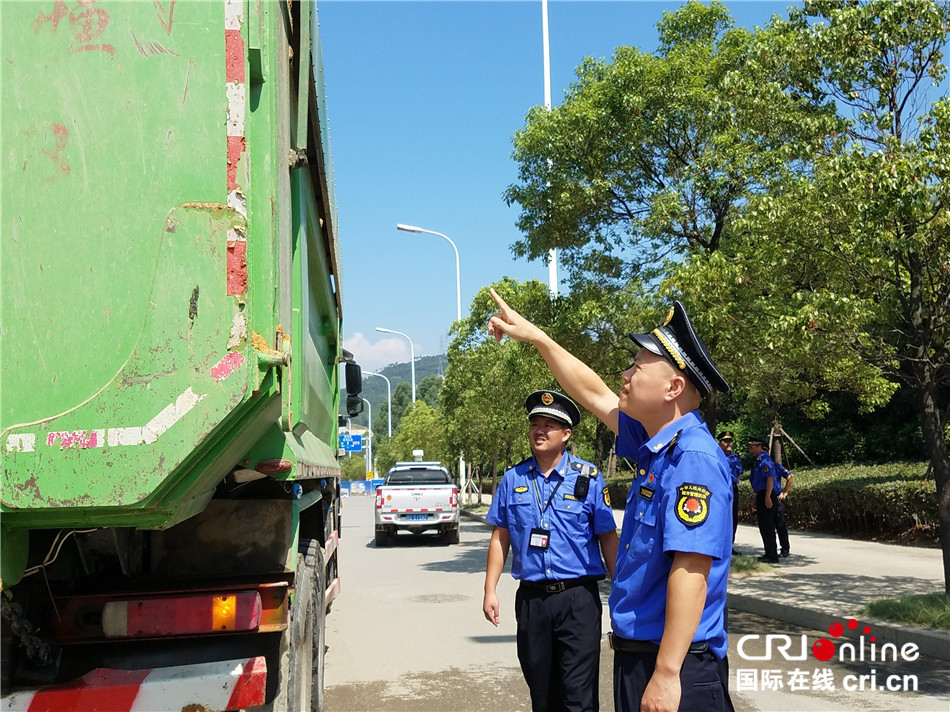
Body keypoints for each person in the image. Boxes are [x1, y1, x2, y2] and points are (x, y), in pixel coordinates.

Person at [487, 289, 735, 712]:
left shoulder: (692, 458)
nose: (625, 373)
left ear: (673, 387)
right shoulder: (654, 446)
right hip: (641, 654)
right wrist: (537, 338)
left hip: (675, 664)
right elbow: (593, 393)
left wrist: (667, 672)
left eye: (637, 367)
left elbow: (691, 570)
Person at [483, 390, 619, 712]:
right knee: (542, 696)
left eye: (549, 425)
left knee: (578, 696)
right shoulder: (513, 478)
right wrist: (490, 589)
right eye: (535, 424)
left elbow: (608, 539)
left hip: (578, 600)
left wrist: (621, 593)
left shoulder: (589, 479)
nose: (539, 431)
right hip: (533, 601)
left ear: (566, 434)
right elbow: (500, 537)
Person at [747, 436, 781, 563]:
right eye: (750, 447)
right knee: (763, 525)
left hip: (767, 494)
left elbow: (770, 479)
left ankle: (772, 555)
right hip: (761, 494)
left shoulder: (765, 460)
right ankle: (768, 552)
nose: (751, 449)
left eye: (753, 447)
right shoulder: (758, 460)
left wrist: (767, 496)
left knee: (767, 525)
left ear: (760, 447)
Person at [717, 431, 743, 552]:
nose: (728, 443)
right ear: (720, 442)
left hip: (732, 488)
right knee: (720, 516)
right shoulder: (716, 455)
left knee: (732, 517)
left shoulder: (735, 459)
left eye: (730, 441)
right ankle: (719, 544)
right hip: (719, 488)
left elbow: (738, 476)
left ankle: (729, 546)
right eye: (725, 441)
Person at [774, 461, 794, 557]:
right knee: (768, 526)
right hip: (765, 496)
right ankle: (771, 550)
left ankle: (785, 548)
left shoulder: (777, 467)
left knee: (780, 524)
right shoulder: (758, 465)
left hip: (777, 497)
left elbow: (790, 477)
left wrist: (785, 492)